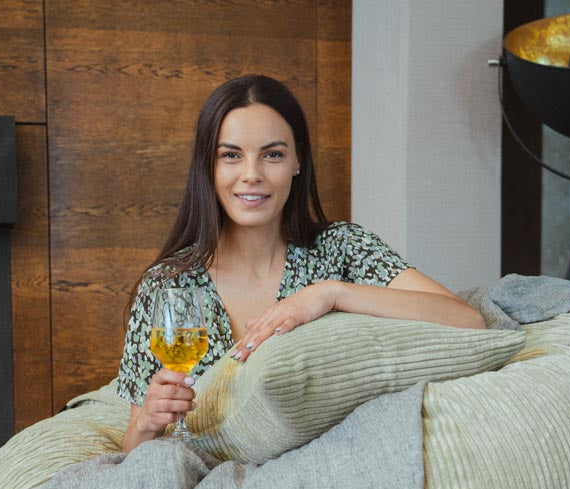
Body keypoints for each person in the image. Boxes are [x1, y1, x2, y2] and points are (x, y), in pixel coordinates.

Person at [118, 74, 486, 453]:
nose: (251, 174)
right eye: (231, 155)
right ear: (207, 166)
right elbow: (133, 448)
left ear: (298, 160)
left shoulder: (342, 248)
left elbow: (468, 320)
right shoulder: (166, 285)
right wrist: (147, 422)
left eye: (272, 155)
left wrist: (332, 294)